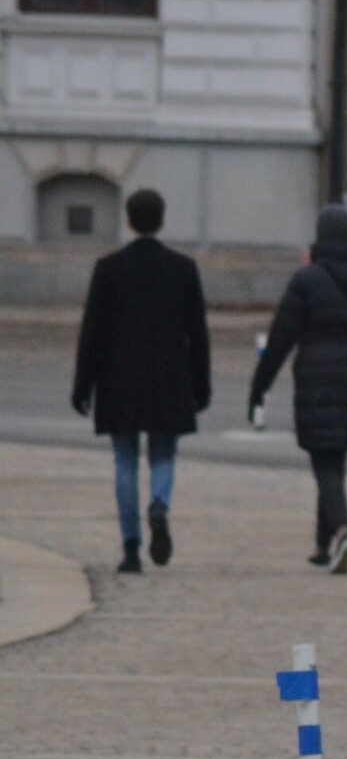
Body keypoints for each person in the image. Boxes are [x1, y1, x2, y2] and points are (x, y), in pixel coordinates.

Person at [246, 203, 347, 574]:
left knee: (325, 462)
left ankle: (341, 530)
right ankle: (324, 547)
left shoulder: (306, 281)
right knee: (334, 459)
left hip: (316, 379)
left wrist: (260, 388)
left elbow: (280, 339)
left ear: (319, 238)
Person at [72, 189, 211, 575]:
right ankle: (160, 505)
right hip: (169, 376)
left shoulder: (108, 268)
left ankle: (131, 547)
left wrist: (83, 385)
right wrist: (201, 386)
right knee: (164, 454)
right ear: (162, 220)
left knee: (125, 460)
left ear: (128, 220)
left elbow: (92, 332)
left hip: (119, 378)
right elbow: (197, 334)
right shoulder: (183, 269)